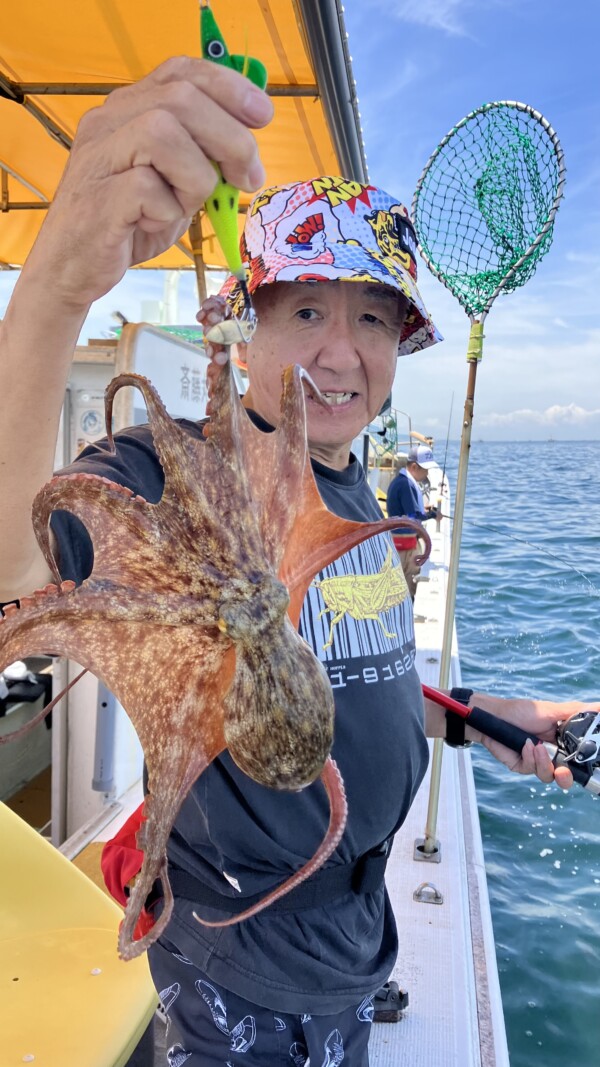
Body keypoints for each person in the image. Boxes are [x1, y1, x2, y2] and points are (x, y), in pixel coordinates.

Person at [0, 58, 594, 1067]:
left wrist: (488, 719)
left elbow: (360, 674)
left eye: (371, 317)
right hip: (236, 952)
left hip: (355, 938)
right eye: (305, 310)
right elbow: (15, 559)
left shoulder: (357, 489)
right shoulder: (175, 476)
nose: (339, 349)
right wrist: (56, 285)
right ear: (244, 325)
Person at [386, 444, 440, 600]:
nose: (427, 473)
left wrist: (426, 509)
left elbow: (407, 509)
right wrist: (432, 515)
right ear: (415, 467)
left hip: (401, 543)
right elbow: (412, 515)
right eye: (425, 469)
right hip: (404, 547)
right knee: (408, 585)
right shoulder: (406, 484)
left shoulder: (403, 481)